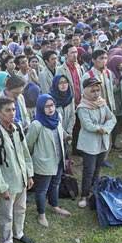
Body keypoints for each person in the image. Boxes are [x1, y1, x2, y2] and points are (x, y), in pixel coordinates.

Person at [0, 97, 35, 243]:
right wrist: (2, 187)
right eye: (8, 110)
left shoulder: (17, 128)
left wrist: (29, 174)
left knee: (21, 208)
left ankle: (18, 233)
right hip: (7, 182)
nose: (12, 113)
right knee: (7, 213)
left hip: (20, 177)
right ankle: (6, 240)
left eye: (13, 109)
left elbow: (25, 153)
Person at [26, 94, 70, 227]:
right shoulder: (37, 124)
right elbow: (28, 145)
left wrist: (66, 136)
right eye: (47, 106)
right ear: (40, 107)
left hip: (58, 158)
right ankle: (41, 214)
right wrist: (37, 158)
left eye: (52, 105)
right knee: (42, 190)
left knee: (55, 184)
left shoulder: (57, 117)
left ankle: (55, 205)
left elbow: (60, 133)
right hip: (44, 162)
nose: (50, 109)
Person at [77, 77, 117, 207]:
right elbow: (88, 125)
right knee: (89, 170)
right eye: (93, 91)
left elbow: (112, 118)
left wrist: (105, 129)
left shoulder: (102, 103)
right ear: (86, 91)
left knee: (98, 168)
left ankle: (94, 190)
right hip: (90, 143)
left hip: (102, 141)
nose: (96, 94)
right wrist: (101, 128)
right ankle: (84, 195)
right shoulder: (83, 107)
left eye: (98, 90)